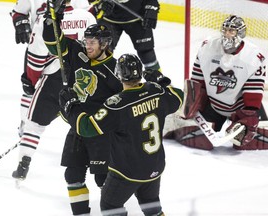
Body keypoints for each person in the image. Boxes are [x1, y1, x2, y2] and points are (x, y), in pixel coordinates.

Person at [58, 53, 183, 215]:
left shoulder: (117, 104)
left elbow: (86, 128)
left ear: (118, 75)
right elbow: (179, 96)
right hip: (155, 167)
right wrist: (161, 80)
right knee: (152, 207)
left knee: (110, 206)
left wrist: (72, 106)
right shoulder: (157, 92)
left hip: (127, 172)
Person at [43, 3, 123, 213]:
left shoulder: (116, 70)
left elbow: (125, 104)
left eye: (93, 42)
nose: (88, 46)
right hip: (78, 125)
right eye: (86, 41)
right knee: (73, 175)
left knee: (102, 178)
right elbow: (53, 44)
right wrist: (53, 19)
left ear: (105, 43)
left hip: (101, 131)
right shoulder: (77, 53)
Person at [12, 0, 97, 182]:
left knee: (35, 124)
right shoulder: (87, 16)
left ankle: (23, 163)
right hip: (85, 77)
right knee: (88, 122)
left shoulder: (44, 21)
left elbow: (36, 60)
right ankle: (101, 162)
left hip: (54, 77)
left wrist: (31, 80)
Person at [164, 15, 268, 150]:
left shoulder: (253, 57)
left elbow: (252, 92)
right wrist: (192, 105)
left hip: (241, 108)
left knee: (251, 141)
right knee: (200, 140)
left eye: (232, 31)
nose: (227, 34)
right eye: (225, 30)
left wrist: (249, 115)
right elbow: (197, 81)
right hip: (213, 106)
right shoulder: (207, 48)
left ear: (241, 33)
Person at [88, 0, 163, 78]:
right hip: (109, 18)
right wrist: (100, 5)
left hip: (137, 17)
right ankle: (98, 82)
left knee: (147, 53)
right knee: (101, 51)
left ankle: (157, 81)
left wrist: (151, 7)